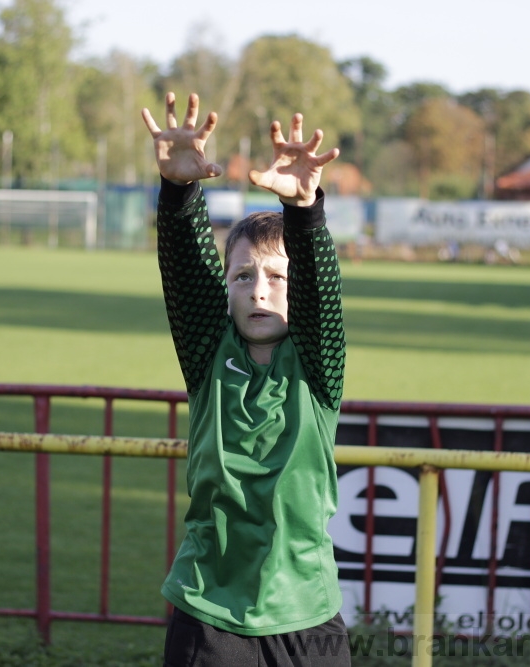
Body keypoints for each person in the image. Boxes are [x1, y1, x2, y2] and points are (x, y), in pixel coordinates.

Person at [141, 92, 351, 666]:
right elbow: (186, 270)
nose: (259, 289)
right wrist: (179, 191)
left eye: (276, 276)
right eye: (242, 276)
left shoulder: (318, 365)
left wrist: (306, 210)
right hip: (211, 609)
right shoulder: (209, 350)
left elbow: (321, 294)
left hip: (306, 609)